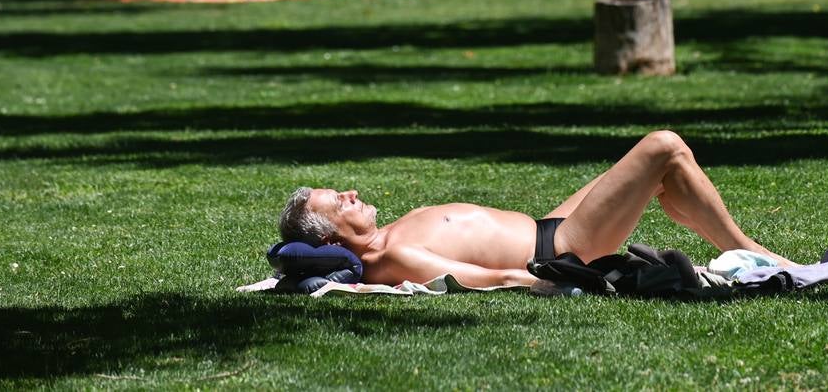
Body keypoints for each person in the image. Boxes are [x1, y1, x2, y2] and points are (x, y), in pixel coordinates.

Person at [278, 130, 796, 288]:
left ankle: (741, 248)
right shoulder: (397, 256)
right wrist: (560, 282)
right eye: (337, 201)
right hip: (563, 250)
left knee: (665, 175)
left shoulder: (387, 237)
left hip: (553, 226)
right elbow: (492, 277)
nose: (349, 192)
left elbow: (295, 258)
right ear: (332, 237)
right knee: (662, 147)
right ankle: (756, 255)